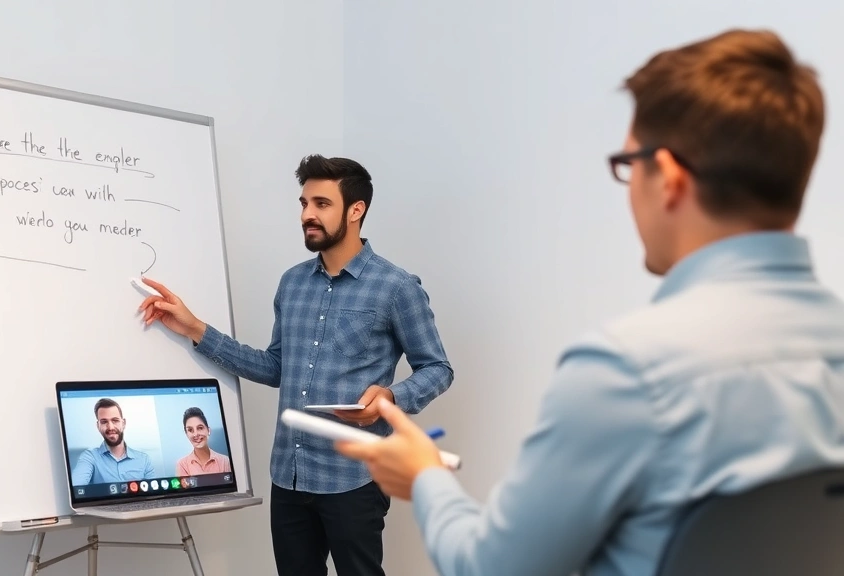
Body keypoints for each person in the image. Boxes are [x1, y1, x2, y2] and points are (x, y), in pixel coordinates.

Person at [335, 28, 844, 576]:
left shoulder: (626, 369)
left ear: (668, 178)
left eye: (627, 166)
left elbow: (492, 568)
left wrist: (425, 478)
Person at [136, 154, 454, 575]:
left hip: (352, 479)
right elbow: (275, 367)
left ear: (356, 210)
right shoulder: (292, 283)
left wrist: (391, 396)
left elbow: (438, 368)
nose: (308, 215)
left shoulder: (396, 288)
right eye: (304, 204)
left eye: (322, 204)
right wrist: (196, 328)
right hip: (289, 474)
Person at [71, 398, 157, 486]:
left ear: (123, 423)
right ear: (98, 426)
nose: (111, 427)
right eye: (104, 422)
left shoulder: (144, 459)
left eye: (115, 420)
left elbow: (153, 495)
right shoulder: (89, 457)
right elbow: (76, 488)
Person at [176, 406, 232, 476]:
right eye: (190, 430)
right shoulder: (182, 464)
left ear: (208, 430)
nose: (196, 434)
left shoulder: (225, 461)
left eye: (200, 428)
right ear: (186, 434)